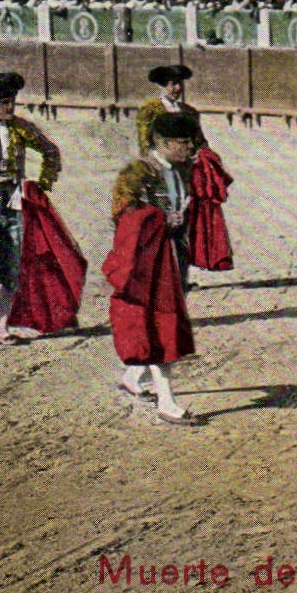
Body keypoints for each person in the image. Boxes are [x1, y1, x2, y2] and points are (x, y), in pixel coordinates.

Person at [106, 112, 202, 425]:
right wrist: (160, 220)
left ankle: (133, 378)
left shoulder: (182, 169)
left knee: (163, 319)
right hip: (148, 259)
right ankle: (166, 401)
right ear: (163, 142)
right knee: (162, 323)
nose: (190, 148)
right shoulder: (137, 172)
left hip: (174, 254)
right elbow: (122, 213)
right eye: (183, 142)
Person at [0, 72, 63, 346]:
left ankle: (1, 324)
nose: (10, 107)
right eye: (4, 103)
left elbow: (51, 151)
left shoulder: (20, 127)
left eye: (12, 101)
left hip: (13, 197)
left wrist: (42, 184)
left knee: (11, 260)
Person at [135, 64, 208, 156]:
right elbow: (145, 143)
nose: (178, 88)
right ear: (161, 86)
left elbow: (199, 142)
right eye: (173, 84)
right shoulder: (149, 110)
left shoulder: (189, 111)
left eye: (180, 83)